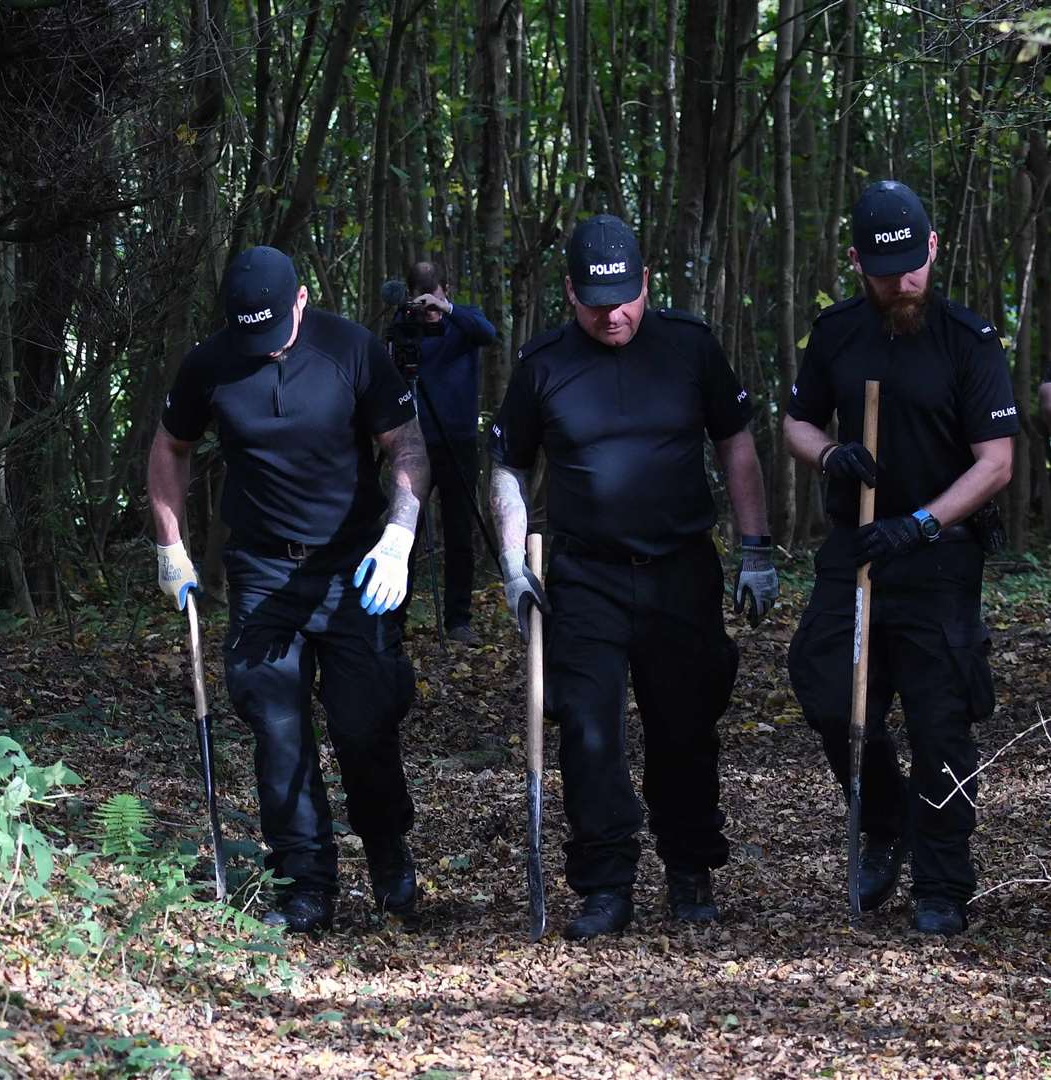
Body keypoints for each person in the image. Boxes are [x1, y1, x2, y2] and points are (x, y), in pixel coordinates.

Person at [487, 214, 775, 940]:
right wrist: (514, 562)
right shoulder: (543, 362)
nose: (610, 315)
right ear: (568, 294)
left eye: (622, 298)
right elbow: (508, 465)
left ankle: (689, 867)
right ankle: (604, 880)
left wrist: (756, 548)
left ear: (645, 283)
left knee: (684, 725)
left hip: (680, 567)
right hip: (583, 575)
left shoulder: (688, 346)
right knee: (587, 729)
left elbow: (735, 442)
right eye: (593, 302)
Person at [148, 246, 431, 934]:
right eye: (251, 335)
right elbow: (169, 447)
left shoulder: (351, 350)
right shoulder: (209, 364)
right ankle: (305, 883)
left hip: (353, 566)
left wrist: (397, 538)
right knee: (276, 729)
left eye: (272, 332)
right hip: (262, 568)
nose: (264, 350)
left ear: (300, 301)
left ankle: (388, 855)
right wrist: (169, 546)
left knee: (363, 724)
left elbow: (408, 447)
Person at [784, 181, 1016, 937]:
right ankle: (884, 823)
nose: (901, 281)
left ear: (932, 250)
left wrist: (919, 523)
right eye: (885, 270)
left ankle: (943, 881)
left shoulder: (966, 340)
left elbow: (995, 463)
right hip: (853, 548)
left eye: (912, 265)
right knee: (826, 691)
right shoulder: (837, 333)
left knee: (939, 721)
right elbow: (795, 421)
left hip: (936, 557)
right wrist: (830, 456)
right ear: (857, 263)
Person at [404, 261, 498, 644]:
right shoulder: (404, 327)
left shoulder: (464, 321)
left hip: (458, 441)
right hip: (413, 444)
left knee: (459, 531)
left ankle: (459, 620)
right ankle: (394, 618)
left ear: (446, 290)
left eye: (434, 299)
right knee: (405, 529)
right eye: (421, 300)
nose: (428, 310)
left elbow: (488, 333)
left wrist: (446, 310)